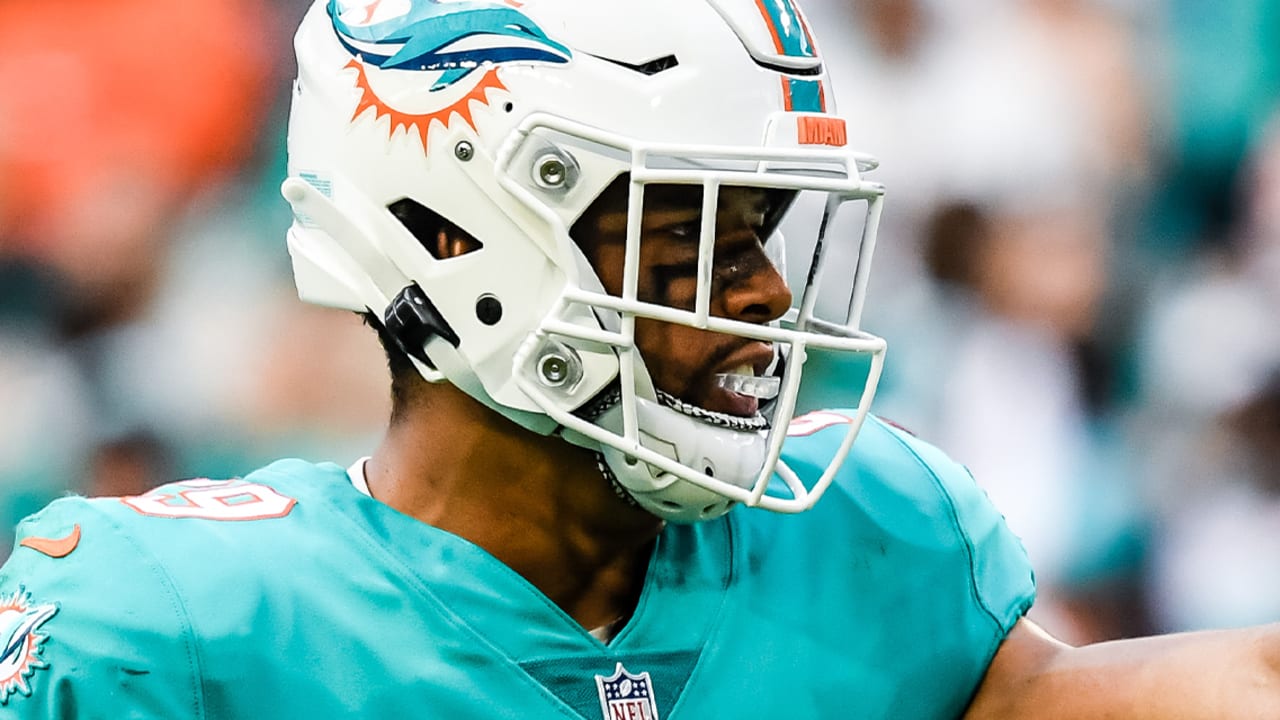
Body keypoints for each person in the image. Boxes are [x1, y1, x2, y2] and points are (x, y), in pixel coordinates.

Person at [1, 0, 1278, 717]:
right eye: (691, 236)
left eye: (765, 231)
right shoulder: (170, 628)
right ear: (454, 237)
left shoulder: (870, 535)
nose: (768, 295)